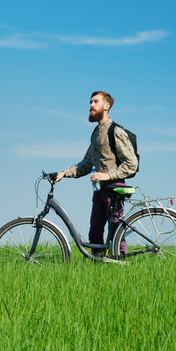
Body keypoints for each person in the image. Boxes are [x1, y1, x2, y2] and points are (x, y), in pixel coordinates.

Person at [54, 91, 138, 257]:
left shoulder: (115, 131)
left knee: (115, 232)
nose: (91, 105)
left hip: (115, 189)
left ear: (106, 106)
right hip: (99, 190)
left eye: (95, 102)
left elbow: (132, 164)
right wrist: (64, 173)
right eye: (90, 102)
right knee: (94, 233)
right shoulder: (96, 133)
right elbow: (86, 164)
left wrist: (108, 175)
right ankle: (99, 267)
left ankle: (120, 265)